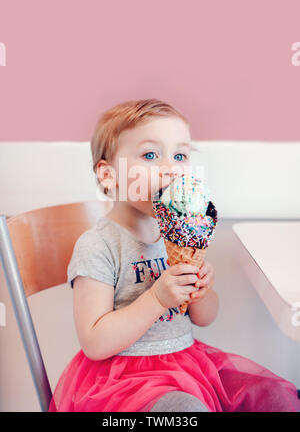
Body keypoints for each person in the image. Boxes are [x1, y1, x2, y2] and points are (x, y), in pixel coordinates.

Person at [48, 99, 300, 412]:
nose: (170, 169)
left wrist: (201, 292)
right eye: (150, 155)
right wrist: (156, 300)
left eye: (180, 155)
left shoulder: (181, 233)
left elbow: (205, 319)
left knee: (274, 396)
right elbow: (95, 342)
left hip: (188, 365)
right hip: (125, 382)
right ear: (108, 174)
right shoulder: (98, 245)